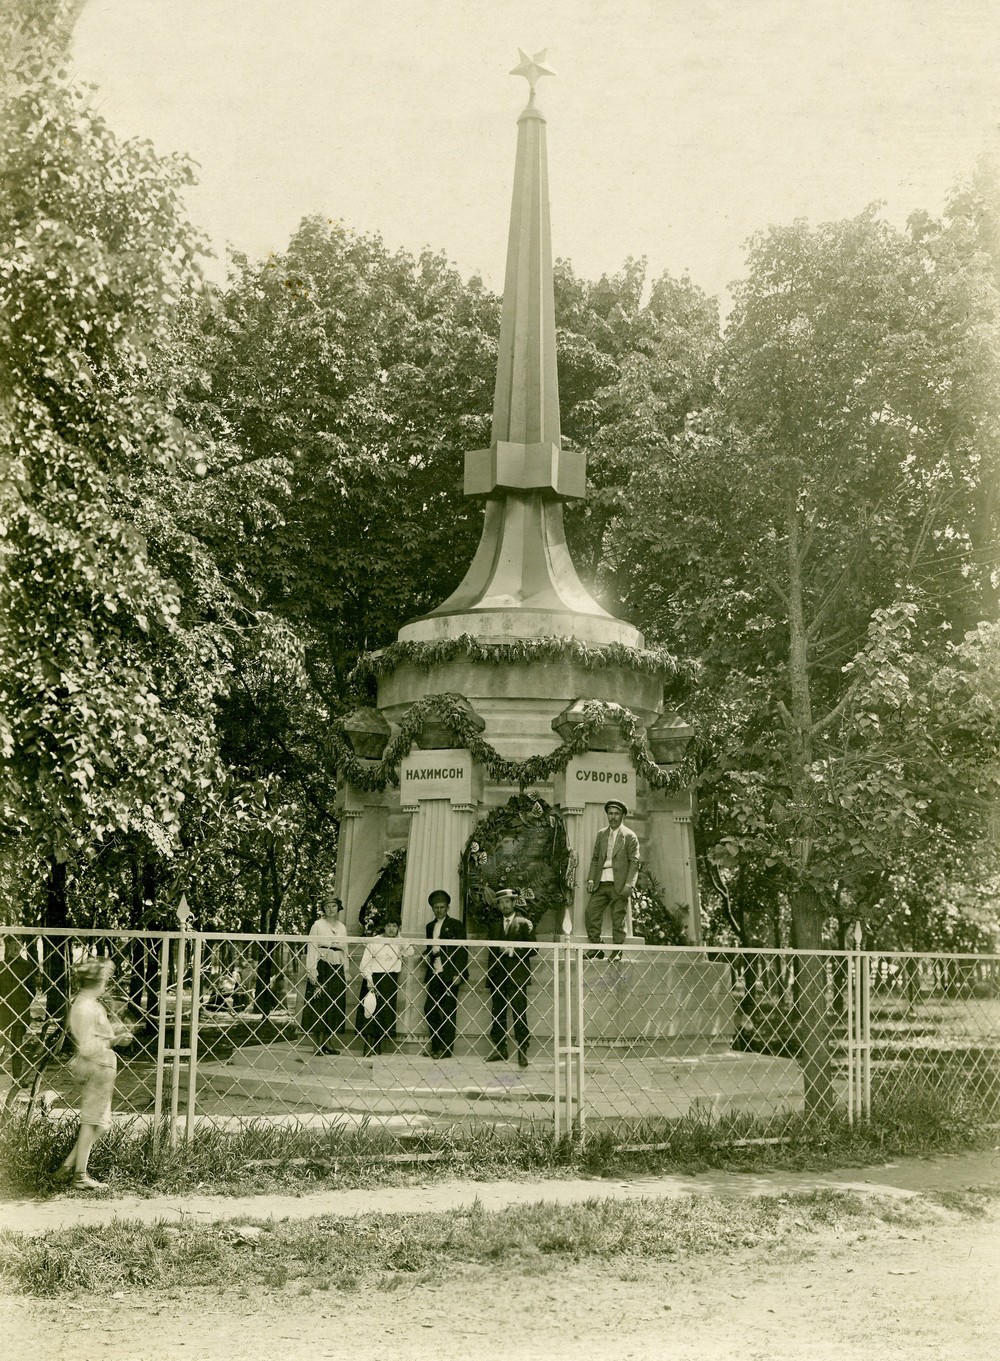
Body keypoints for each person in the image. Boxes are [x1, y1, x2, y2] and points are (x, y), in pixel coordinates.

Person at [54, 958, 131, 1191]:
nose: (105, 985)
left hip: (98, 1064)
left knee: (101, 1123)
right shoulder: (89, 1007)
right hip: (97, 1064)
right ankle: (79, 1175)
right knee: (92, 1122)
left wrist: (113, 1034)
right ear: (98, 982)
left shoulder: (83, 1003)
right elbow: (88, 1046)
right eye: (105, 980)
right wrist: (117, 1039)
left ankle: (68, 1167)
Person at [486, 889, 536, 1068]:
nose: (505, 905)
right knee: (498, 1013)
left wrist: (513, 951)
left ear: (514, 903)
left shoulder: (524, 923)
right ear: (498, 905)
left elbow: (534, 949)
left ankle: (523, 1051)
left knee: (519, 1013)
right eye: (502, 902)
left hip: (517, 977)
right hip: (498, 976)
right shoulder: (494, 925)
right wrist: (490, 976)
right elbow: (491, 953)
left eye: (508, 901)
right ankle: (500, 1049)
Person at [585, 799, 640, 959]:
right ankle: (596, 946)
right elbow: (595, 858)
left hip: (620, 882)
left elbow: (635, 862)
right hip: (601, 881)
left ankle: (617, 950)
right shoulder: (602, 834)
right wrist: (591, 879)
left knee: (618, 916)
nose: (613, 817)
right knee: (591, 912)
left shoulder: (630, 836)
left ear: (622, 815)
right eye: (610, 813)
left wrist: (629, 884)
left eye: (616, 814)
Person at [357, 920, 413, 1056]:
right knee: (370, 1010)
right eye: (388, 925)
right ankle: (368, 1045)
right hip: (374, 978)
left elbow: (410, 952)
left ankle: (377, 1044)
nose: (391, 929)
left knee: (384, 1012)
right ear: (384, 926)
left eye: (394, 926)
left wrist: (399, 937)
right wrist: (369, 980)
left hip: (389, 980)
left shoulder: (399, 941)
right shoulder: (375, 940)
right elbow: (365, 961)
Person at [423, 889, 468, 1058]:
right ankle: (436, 1046)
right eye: (436, 907)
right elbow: (430, 948)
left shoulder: (456, 925)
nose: (439, 910)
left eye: (442, 907)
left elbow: (463, 951)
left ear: (447, 908)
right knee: (430, 1009)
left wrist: (458, 973)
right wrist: (428, 953)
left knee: (448, 1011)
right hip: (435, 973)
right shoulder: (429, 927)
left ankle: (446, 1049)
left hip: (450, 974)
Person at [304, 898, 348, 1055]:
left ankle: (328, 1043)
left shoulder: (342, 927)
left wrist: (346, 969)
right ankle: (317, 1045)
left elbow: (345, 949)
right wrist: (312, 970)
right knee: (320, 1005)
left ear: (338, 908)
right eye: (327, 907)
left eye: (334, 906)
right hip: (322, 966)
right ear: (324, 909)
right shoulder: (318, 925)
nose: (331, 909)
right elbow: (312, 946)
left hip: (337, 967)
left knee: (335, 1005)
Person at [0, 935, 36, 1087]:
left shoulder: (27, 966)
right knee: (0, 1042)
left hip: (19, 1010)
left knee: (17, 1044)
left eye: (19, 944)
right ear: (7, 945)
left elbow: (31, 990)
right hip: (2, 1011)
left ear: (22, 946)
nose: (16, 948)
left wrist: (22, 1004)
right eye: (12, 944)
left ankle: (18, 1078)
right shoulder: (1, 966)